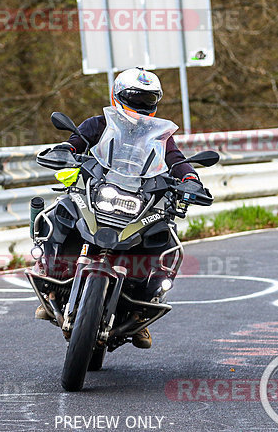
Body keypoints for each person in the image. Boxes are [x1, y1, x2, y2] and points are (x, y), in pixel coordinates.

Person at [34, 67, 205, 349]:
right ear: (117, 96)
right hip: (99, 191)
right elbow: (76, 142)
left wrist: (190, 178)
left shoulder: (160, 136)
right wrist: (64, 150)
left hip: (139, 199)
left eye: (147, 100)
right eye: (133, 98)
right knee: (60, 212)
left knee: (165, 237)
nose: (140, 105)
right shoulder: (98, 124)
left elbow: (176, 159)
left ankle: (143, 307)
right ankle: (52, 280)